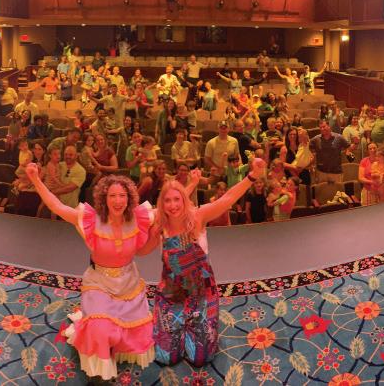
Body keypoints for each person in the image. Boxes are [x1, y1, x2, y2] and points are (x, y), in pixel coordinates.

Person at [25, 165, 154, 380]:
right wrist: (35, 179)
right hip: (98, 283)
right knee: (100, 330)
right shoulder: (90, 220)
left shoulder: (138, 218)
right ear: (104, 199)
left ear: (129, 198)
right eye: (112, 195)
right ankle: (100, 373)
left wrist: (188, 188)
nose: (118, 201)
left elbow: (172, 208)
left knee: (138, 332)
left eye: (122, 195)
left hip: (129, 284)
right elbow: (56, 206)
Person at [138, 158, 266, 366]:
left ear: (184, 200)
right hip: (171, 293)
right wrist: (133, 234)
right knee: (166, 357)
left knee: (200, 358)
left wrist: (251, 177)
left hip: (201, 293)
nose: (173, 205)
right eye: (167, 201)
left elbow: (228, 198)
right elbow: (141, 251)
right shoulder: (159, 226)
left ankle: (199, 329)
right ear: (161, 204)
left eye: (177, 199)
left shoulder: (199, 216)